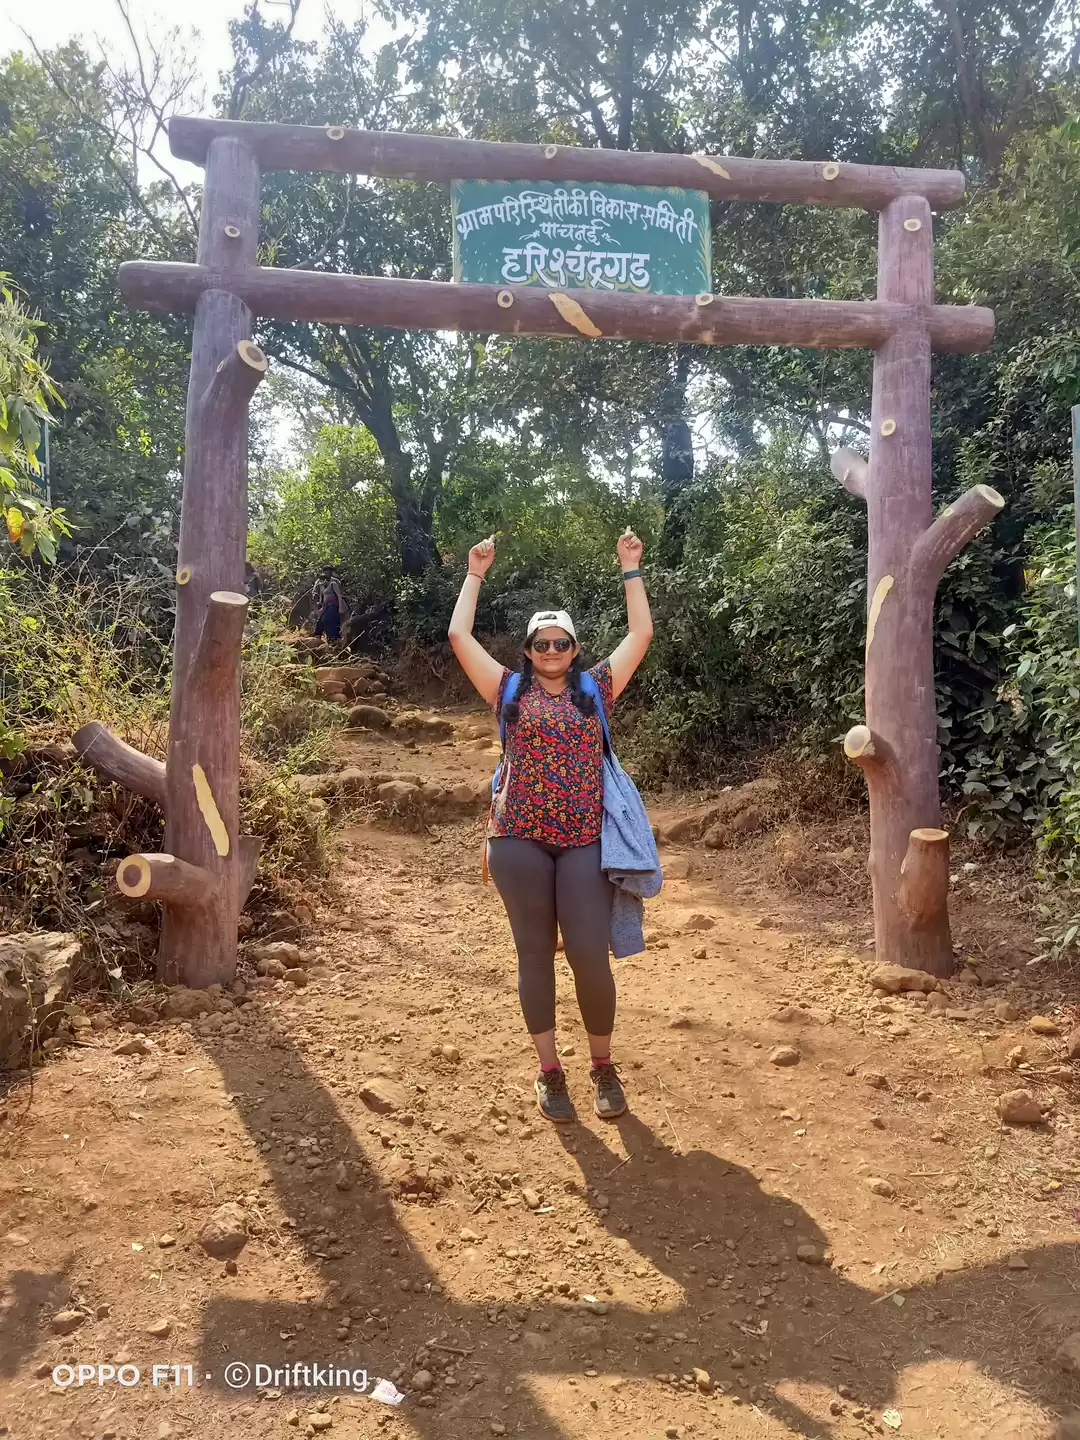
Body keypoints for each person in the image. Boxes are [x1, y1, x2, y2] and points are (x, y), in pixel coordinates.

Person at [447, 530, 654, 1124]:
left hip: (586, 842)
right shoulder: (506, 689)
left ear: (576, 647)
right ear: (529, 649)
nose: (552, 649)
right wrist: (475, 574)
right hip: (517, 840)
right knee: (533, 954)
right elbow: (460, 635)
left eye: (561, 642)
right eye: (542, 642)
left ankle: (602, 1066)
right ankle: (549, 1073)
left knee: (590, 956)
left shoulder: (598, 689)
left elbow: (639, 633)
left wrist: (630, 568)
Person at [311, 565, 348, 643]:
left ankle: (333, 640)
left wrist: (340, 607)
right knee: (320, 621)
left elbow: (339, 595)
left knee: (331, 621)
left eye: (329, 571)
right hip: (324, 604)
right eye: (326, 571)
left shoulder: (335, 582)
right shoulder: (319, 581)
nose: (328, 573)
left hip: (333, 605)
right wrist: (317, 605)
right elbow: (315, 592)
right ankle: (318, 639)